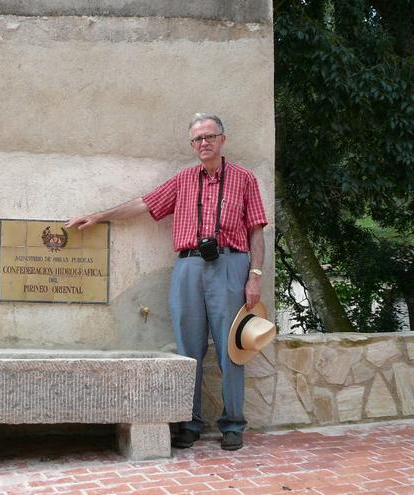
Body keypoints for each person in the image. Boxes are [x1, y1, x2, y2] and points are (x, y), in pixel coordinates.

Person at [65, 113, 267, 451]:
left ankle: (233, 424)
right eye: (197, 138)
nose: (203, 143)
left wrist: (255, 276)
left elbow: (257, 231)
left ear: (222, 139)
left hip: (231, 264)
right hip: (188, 266)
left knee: (232, 348)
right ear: (192, 144)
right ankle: (189, 423)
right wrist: (99, 216)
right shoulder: (183, 180)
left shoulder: (244, 179)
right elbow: (143, 204)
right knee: (189, 349)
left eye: (209, 136)